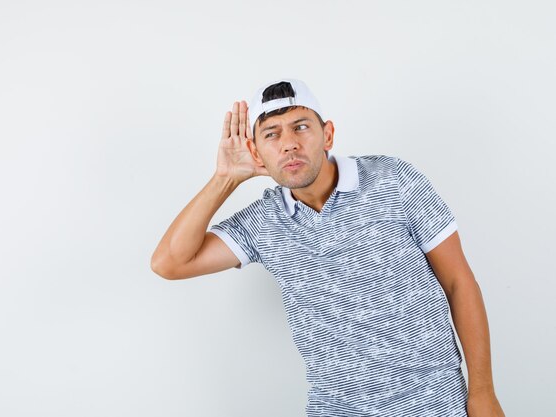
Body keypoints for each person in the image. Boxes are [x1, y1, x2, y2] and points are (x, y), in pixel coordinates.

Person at [151, 78, 505, 417]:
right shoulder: (263, 222)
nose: (289, 143)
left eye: (300, 127)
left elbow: (459, 282)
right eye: (271, 135)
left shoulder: (393, 179)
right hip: (336, 409)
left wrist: (483, 392)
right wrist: (225, 179)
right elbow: (170, 262)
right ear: (256, 152)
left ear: (328, 134)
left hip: (434, 402)